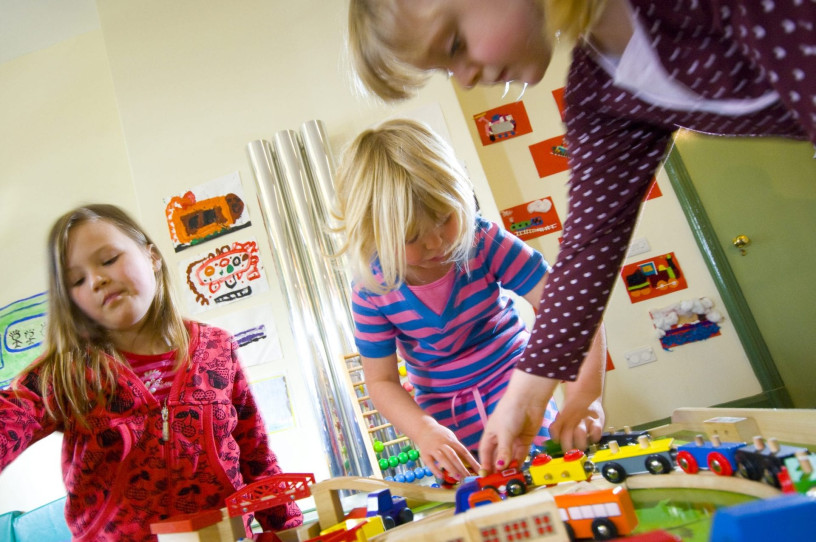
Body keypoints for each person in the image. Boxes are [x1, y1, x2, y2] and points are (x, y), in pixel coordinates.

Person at [347, 0, 816, 470]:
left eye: (454, 45)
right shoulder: (596, 96)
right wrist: (539, 398)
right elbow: (585, 259)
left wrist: (560, 394)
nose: (465, 79)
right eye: (446, 68)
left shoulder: (695, 15)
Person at [0, 204, 302, 541]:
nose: (97, 279)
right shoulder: (66, 374)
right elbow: (11, 416)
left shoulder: (218, 348)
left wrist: (286, 528)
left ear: (153, 257)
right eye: (77, 280)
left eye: (109, 259)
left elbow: (254, 450)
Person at [334, 118, 606, 481]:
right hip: (441, 410)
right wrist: (423, 430)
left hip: (515, 379)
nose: (436, 244)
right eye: (413, 237)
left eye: (445, 219)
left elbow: (568, 310)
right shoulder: (372, 290)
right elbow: (381, 382)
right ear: (373, 234)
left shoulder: (483, 240)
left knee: (542, 475)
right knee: (473, 493)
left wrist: (583, 397)